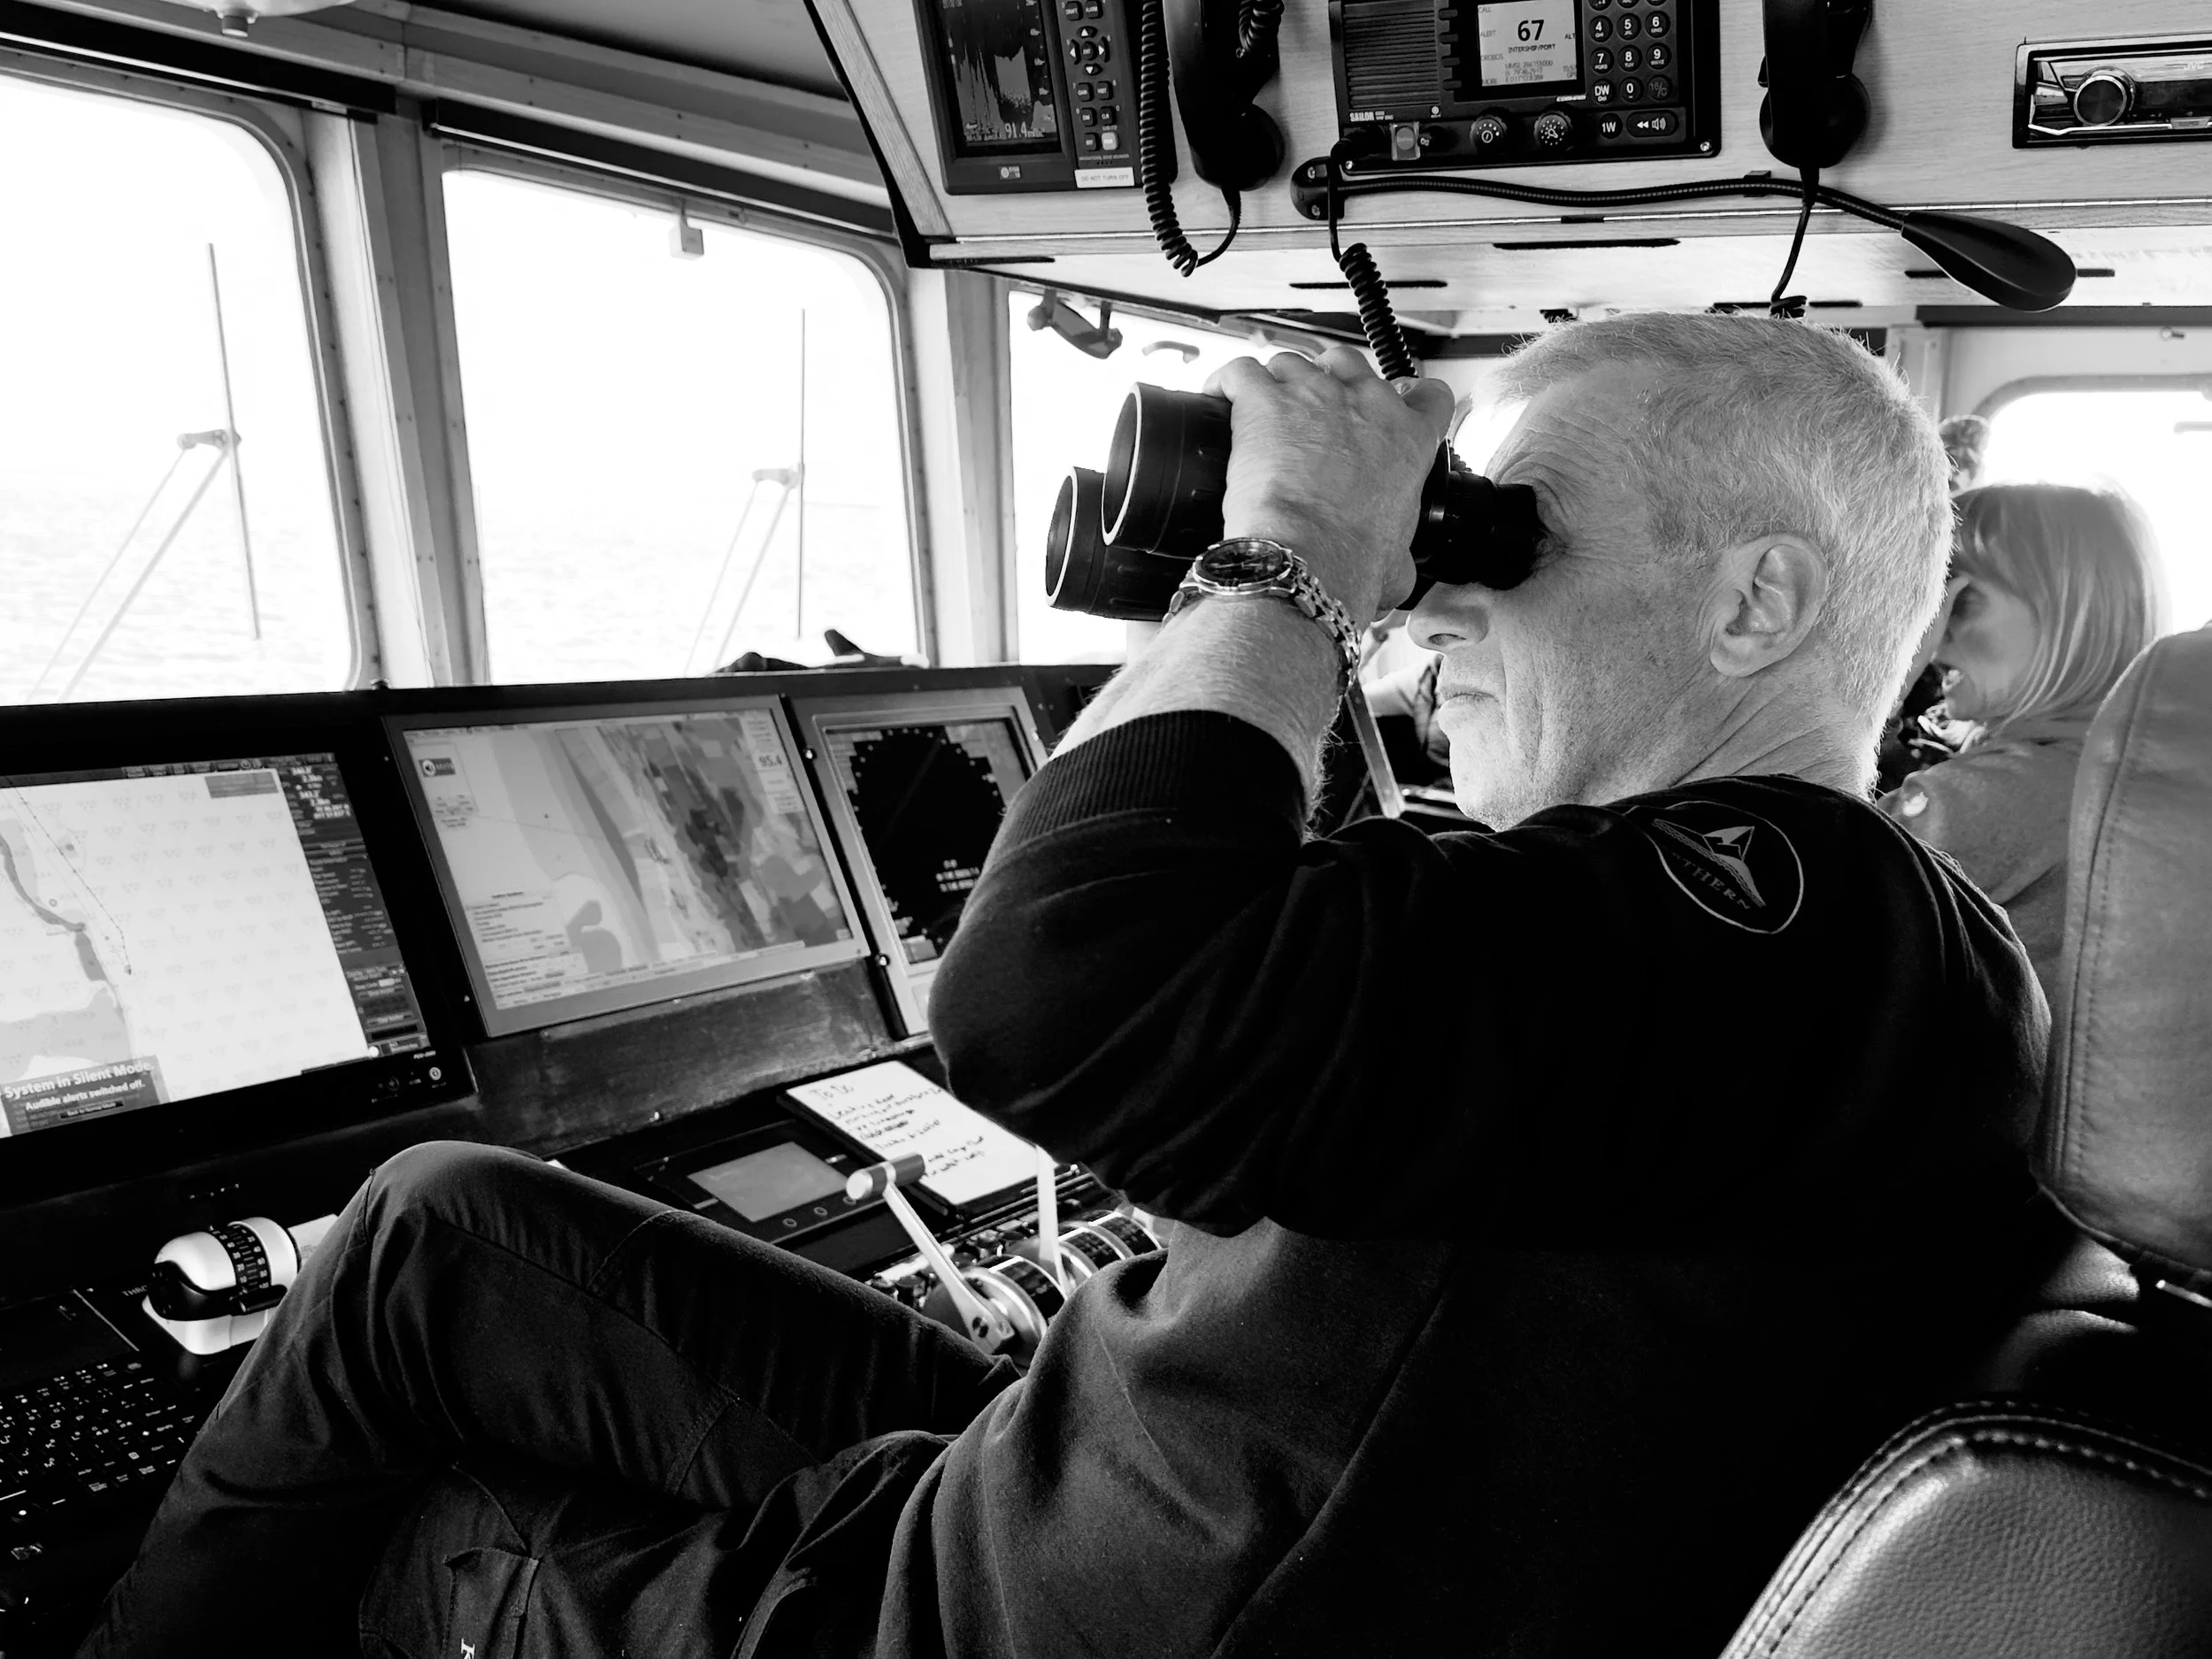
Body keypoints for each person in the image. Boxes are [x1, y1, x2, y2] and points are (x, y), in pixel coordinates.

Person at [80, 316, 2048, 1659]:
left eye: (1500, 540)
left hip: (1021, 1616)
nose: (1435, 601)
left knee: (395, 1493)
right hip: (1112, 1479)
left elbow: (1057, 987)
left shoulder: (1780, 917)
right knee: (442, 1225)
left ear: (1758, 601)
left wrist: (1290, 562)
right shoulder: (1784, 942)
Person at [1882, 482, 2165, 1001]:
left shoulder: (1997, 794)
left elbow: (1803, 881)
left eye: (1957, 601)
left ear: (2067, 623)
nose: (1930, 627)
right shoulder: (2093, 767)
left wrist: (1881, 680)